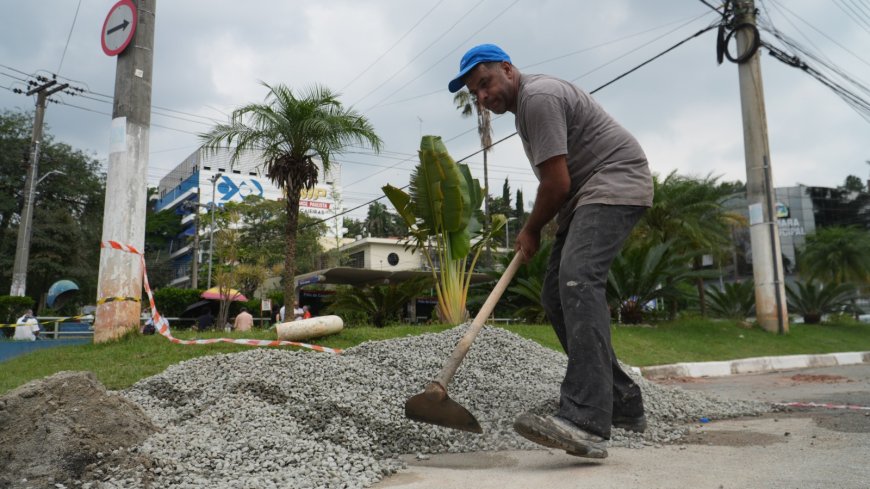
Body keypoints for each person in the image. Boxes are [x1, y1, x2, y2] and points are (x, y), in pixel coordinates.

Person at [448, 44, 653, 459]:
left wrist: (530, 228)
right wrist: (537, 229)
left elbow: (556, 184)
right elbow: (560, 185)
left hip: (614, 182)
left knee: (577, 281)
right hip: (585, 195)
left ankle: (586, 420)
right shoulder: (527, 107)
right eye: (476, 93)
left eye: (485, 83)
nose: (483, 97)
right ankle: (623, 402)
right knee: (555, 296)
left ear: (508, 69)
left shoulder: (538, 99)